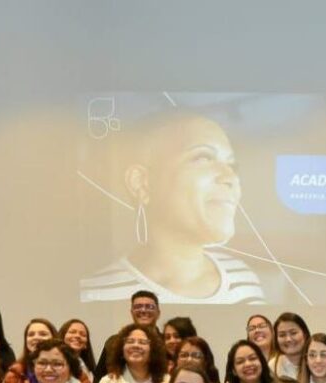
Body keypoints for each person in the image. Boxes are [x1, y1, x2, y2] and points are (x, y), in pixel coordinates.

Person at [79, 112, 265, 304]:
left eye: (232, 165)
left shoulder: (244, 279)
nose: (230, 178)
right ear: (142, 183)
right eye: (203, 158)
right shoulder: (97, 295)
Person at [93, 322, 168, 383]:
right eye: (130, 341)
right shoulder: (109, 382)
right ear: (121, 349)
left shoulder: (167, 381)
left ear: (153, 350)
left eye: (142, 342)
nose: (136, 345)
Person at [0, 318, 59, 383]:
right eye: (31, 335)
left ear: (54, 338)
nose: (36, 337)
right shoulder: (14, 375)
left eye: (43, 334)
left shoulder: (70, 371)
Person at [97, 291, 163, 366]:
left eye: (149, 307)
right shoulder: (113, 343)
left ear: (158, 313)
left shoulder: (168, 342)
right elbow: (99, 376)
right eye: (138, 307)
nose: (143, 310)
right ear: (131, 312)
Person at [270, 312, 311, 383]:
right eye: (282, 335)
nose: (288, 339)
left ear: (305, 334)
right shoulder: (272, 366)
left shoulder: (316, 361)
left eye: (293, 333)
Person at [58, 319, 98, 383]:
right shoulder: (56, 364)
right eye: (72, 332)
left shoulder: (89, 369)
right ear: (62, 337)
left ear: (86, 344)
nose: (77, 336)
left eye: (83, 334)